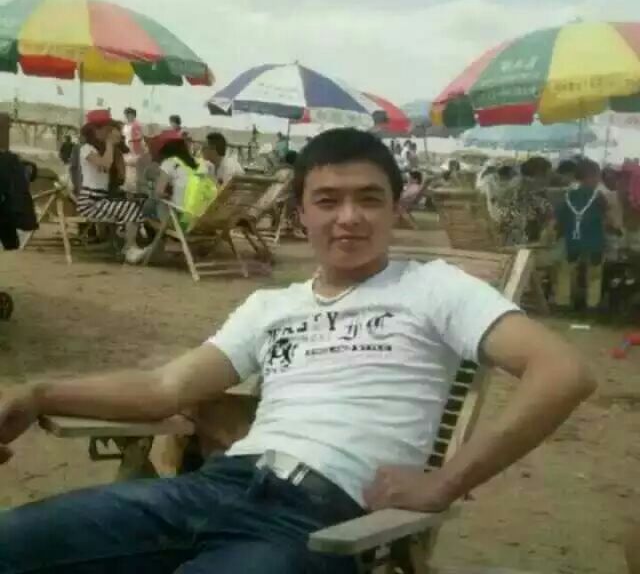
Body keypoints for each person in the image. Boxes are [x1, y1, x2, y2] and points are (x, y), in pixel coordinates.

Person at [0, 128, 596, 574]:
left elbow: (562, 372)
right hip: (210, 487)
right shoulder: (272, 306)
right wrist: (38, 394)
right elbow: (164, 390)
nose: (349, 218)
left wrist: (444, 484)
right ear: (301, 212)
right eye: (328, 200)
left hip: (312, 519)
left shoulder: (435, 287)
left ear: (396, 208)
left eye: (369, 199)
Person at [73, 110, 147, 263]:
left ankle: (128, 244)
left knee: (132, 206)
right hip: (89, 201)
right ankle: (129, 248)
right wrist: (110, 143)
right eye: (106, 130)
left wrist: (113, 147)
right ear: (95, 130)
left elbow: (118, 175)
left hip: (99, 199)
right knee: (131, 208)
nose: (108, 133)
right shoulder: (86, 149)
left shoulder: (101, 149)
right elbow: (105, 164)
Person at [554, 159, 610, 311]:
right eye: (597, 176)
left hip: (572, 240)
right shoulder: (599, 196)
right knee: (594, 274)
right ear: (591, 176)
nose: (598, 180)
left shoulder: (567, 195)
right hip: (595, 240)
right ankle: (592, 304)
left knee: (566, 271)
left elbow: (559, 218)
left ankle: (562, 301)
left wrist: (558, 233)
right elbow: (607, 215)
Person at [495, 157, 553, 246]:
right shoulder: (525, 188)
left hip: (511, 237)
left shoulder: (518, 184)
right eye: (547, 175)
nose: (549, 179)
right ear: (539, 174)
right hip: (518, 240)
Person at [122, 107, 147, 193]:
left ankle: (133, 192)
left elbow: (139, 139)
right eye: (126, 115)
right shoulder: (126, 125)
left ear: (133, 115)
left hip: (134, 152)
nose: (127, 116)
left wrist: (138, 152)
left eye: (129, 114)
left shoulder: (136, 125)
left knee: (133, 173)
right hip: (126, 150)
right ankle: (128, 190)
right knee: (127, 172)